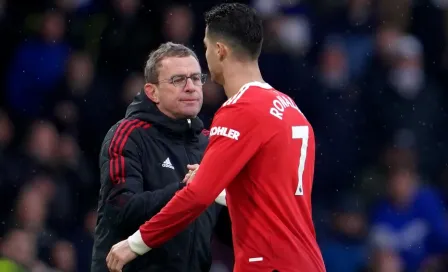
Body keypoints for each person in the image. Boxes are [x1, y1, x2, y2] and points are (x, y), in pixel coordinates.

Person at [107, 3, 326, 272]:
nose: (206, 56)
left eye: (207, 47)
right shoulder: (291, 109)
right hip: (308, 261)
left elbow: (196, 197)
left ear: (220, 50)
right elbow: (272, 196)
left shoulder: (240, 109)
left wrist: (135, 243)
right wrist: (217, 183)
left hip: (267, 264)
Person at [91, 42, 222, 272]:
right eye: (178, 80)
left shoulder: (210, 143)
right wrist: (187, 191)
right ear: (152, 92)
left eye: (196, 78)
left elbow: (224, 227)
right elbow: (121, 211)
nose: (191, 87)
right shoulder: (128, 134)